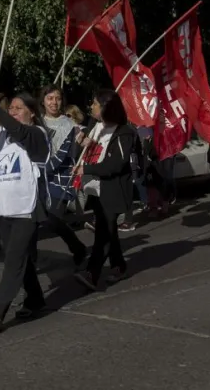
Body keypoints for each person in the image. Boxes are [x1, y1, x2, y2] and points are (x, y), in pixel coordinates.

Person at [0, 90, 50, 332]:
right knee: (20, 260)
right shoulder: (3, 140)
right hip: (2, 210)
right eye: (11, 109)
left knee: (13, 261)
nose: (14, 112)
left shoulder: (36, 134)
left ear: (32, 112)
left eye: (19, 108)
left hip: (25, 210)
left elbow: (20, 131)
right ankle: (36, 298)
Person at [74, 90, 136, 291]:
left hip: (112, 189)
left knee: (104, 233)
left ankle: (92, 273)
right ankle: (119, 265)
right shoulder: (95, 126)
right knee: (107, 229)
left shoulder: (124, 132)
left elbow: (116, 165)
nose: (91, 107)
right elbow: (88, 151)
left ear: (106, 108)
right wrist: (82, 143)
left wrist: (87, 169)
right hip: (95, 189)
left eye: (95, 104)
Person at [39, 85, 88, 264]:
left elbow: (81, 140)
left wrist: (85, 140)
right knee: (35, 219)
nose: (54, 102)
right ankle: (29, 257)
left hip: (60, 177)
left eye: (57, 98)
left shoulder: (70, 124)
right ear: (43, 101)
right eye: (50, 98)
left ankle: (77, 247)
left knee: (53, 219)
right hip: (39, 176)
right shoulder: (37, 123)